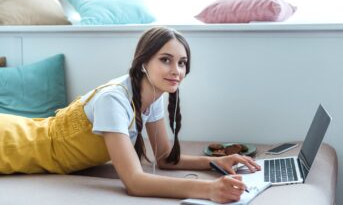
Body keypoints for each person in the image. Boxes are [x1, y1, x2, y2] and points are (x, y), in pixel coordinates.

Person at [0, 26, 260, 203]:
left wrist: (217, 163)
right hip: (12, 144)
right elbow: (134, 182)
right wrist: (209, 189)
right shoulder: (114, 99)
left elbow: (163, 158)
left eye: (182, 63)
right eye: (166, 60)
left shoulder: (153, 94)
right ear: (144, 62)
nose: (176, 71)